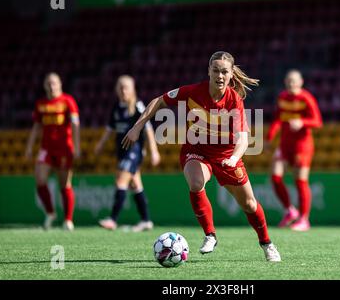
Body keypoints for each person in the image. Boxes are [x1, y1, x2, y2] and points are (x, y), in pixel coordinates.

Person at [122, 51, 281, 262]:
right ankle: (210, 234)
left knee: (250, 205)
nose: (220, 75)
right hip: (196, 151)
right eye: (216, 70)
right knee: (196, 182)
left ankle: (267, 243)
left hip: (226, 156)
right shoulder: (193, 92)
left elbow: (243, 139)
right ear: (209, 71)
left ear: (232, 73)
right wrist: (137, 126)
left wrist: (233, 159)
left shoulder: (234, 100)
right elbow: (159, 101)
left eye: (225, 71)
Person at [95, 75, 161, 232]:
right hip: (122, 152)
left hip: (134, 151)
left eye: (126, 87)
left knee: (121, 181)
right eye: (120, 87)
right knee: (135, 184)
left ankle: (112, 219)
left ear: (133, 90)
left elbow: (149, 129)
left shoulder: (137, 106)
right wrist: (100, 145)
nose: (123, 90)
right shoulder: (117, 107)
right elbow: (110, 129)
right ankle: (146, 220)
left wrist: (154, 151)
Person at [265, 69, 323, 231]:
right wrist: (269, 137)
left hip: (302, 146)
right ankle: (290, 210)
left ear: (300, 82)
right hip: (285, 144)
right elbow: (278, 119)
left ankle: (304, 219)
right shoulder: (282, 97)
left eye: (294, 81)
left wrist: (302, 122)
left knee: (300, 181)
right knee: (275, 177)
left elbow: (317, 121)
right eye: (288, 81)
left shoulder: (306, 98)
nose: (291, 84)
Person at [25, 72, 80, 231]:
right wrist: (29, 146)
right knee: (40, 179)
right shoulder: (40, 103)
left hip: (64, 148)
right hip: (46, 149)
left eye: (54, 83)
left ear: (60, 84)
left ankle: (68, 220)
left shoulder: (68, 101)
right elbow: (36, 126)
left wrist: (77, 147)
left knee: (64, 184)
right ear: (44, 86)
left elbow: (76, 125)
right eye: (48, 83)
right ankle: (50, 212)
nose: (51, 86)